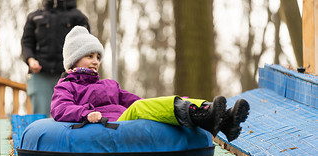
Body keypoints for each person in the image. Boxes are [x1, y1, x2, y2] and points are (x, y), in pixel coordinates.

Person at [51, 26, 250, 142]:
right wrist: (85, 113)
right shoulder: (67, 86)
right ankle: (204, 114)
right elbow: (60, 108)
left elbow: (139, 101)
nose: (96, 61)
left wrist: (168, 103)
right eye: (89, 56)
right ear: (73, 60)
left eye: (98, 57)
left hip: (128, 121)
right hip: (112, 125)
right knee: (139, 107)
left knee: (146, 104)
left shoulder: (109, 84)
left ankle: (223, 119)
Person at [21, 0, 90, 116]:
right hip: (40, 75)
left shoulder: (78, 17)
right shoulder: (34, 17)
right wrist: (30, 59)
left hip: (69, 77)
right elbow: (26, 43)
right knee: (40, 118)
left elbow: (85, 46)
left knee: (69, 115)